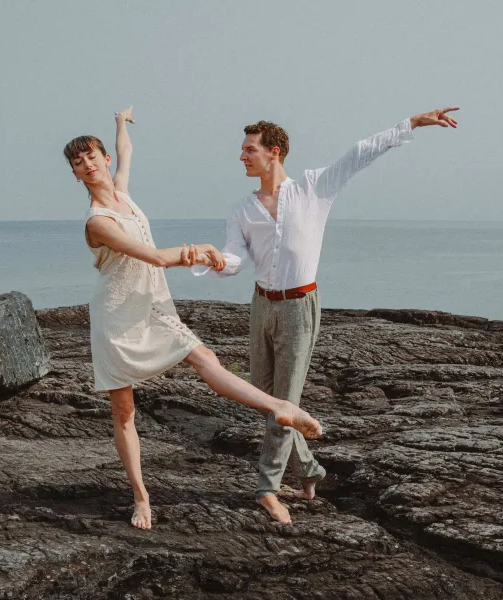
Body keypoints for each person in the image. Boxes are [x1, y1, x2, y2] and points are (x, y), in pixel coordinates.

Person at [192, 107, 459, 524]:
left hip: (300, 307)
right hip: (261, 305)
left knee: (285, 403)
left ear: (274, 152)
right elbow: (235, 258)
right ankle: (312, 470)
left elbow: (360, 153)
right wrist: (213, 261)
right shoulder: (242, 208)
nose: (241, 156)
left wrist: (412, 124)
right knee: (266, 398)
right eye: (242, 150)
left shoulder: (314, 186)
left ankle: (268, 489)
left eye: (249, 149)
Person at [64, 106, 323, 531]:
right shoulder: (98, 221)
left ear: (104, 159)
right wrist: (198, 250)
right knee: (125, 412)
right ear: (75, 174)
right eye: (78, 163)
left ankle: (280, 407)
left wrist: (119, 125)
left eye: (92, 156)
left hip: (152, 304)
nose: (88, 164)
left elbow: (126, 152)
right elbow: (152, 256)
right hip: (117, 315)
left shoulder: (123, 193)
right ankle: (142, 498)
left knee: (205, 359)